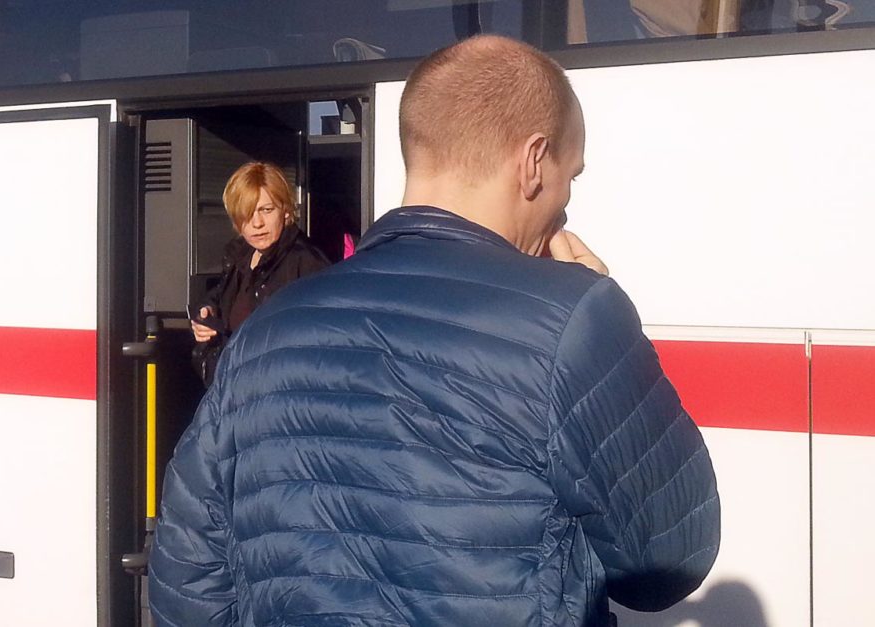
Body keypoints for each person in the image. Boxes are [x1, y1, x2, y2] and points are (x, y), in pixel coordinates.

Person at [150, 35, 720, 626]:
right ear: (532, 162)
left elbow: (187, 586)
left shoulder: (264, 331)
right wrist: (593, 319)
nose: (566, 204)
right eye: (568, 176)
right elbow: (668, 560)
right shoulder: (574, 317)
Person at [189, 161, 329, 386]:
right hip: (235, 398)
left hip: (278, 400)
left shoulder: (307, 263)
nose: (257, 223)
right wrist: (205, 315)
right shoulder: (239, 258)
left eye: (266, 209)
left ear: (285, 211)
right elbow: (220, 299)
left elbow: (322, 343)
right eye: (247, 213)